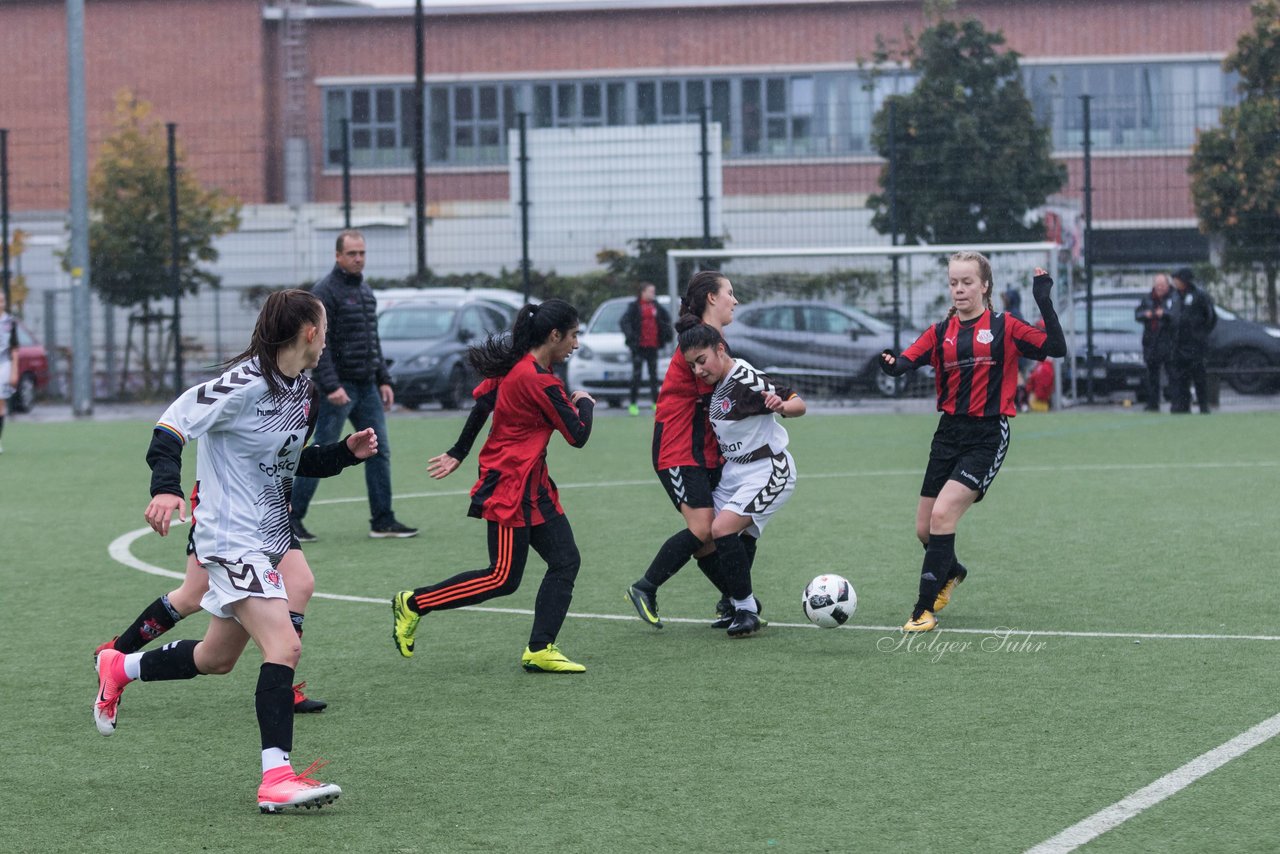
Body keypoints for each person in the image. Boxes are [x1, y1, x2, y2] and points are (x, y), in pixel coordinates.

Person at [93, 288, 378, 811]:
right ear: (310, 333)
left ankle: (119, 667)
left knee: (216, 658)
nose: (327, 339)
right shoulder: (240, 383)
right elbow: (171, 426)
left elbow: (285, 463)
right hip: (229, 539)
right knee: (284, 647)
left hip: (267, 535)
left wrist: (343, 454)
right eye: (326, 330)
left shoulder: (304, 393)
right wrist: (166, 486)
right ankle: (276, 779)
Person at [391, 299, 595, 673]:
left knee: (566, 560)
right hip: (510, 487)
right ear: (554, 336)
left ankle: (540, 648)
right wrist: (584, 403)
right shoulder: (538, 379)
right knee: (501, 578)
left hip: (534, 486)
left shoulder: (523, 368)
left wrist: (458, 451)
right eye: (573, 335)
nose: (576, 344)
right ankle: (413, 603)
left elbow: (483, 402)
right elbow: (578, 435)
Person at [879, 253, 1066, 633]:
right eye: (954, 283)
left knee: (943, 515)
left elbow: (1056, 347)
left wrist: (1043, 300)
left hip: (987, 434)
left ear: (984, 285)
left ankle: (922, 610)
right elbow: (904, 363)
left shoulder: (1006, 326)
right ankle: (953, 572)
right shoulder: (939, 332)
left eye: (967, 282)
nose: (960, 289)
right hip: (947, 434)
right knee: (924, 530)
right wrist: (890, 364)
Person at [624, 270, 751, 630]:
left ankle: (735, 602)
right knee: (702, 529)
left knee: (710, 536)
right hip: (678, 447)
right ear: (712, 297)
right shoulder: (698, 342)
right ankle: (645, 587)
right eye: (730, 292)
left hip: (702, 449)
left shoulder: (713, 339)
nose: (735, 300)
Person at [289, 229, 418, 541]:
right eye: (352, 254)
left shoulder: (365, 291)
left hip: (367, 386)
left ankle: (383, 520)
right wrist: (330, 385)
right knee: (320, 452)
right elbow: (321, 343)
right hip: (338, 389)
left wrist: (383, 378)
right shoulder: (325, 292)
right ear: (337, 256)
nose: (358, 259)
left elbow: (372, 340)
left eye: (362, 253)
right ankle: (290, 519)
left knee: (379, 450)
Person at [679, 321, 806, 637]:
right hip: (736, 472)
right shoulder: (716, 382)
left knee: (722, 529)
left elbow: (798, 403)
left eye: (702, 360)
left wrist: (782, 405)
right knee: (702, 541)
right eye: (692, 364)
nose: (698, 369)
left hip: (769, 469)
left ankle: (746, 610)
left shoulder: (745, 378)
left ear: (720, 349)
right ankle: (736, 603)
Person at [94, 550, 328, 714]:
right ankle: (116, 654)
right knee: (192, 595)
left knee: (298, 583)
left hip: (271, 513)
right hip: (226, 517)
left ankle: (282, 685)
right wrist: (166, 488)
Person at [619, 281, 673, 416]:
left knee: (653, 376)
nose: (652, 294)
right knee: (636, 376)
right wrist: (631, 337)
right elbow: (624, 322)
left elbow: (666, 321)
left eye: (653, 292)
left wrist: (666, 335)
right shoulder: (634, 307)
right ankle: (633, 404)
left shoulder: (657, 307)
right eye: (650, 291)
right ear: (643, 292)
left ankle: (656, 402)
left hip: (653, 346)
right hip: (638, 347)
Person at [1167, 267, 1216, 414]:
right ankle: (1181, 406)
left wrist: (1200, 334)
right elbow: (1171, 316)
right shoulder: (1174, 296)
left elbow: (1211, 318)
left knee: (1199, 377)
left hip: (1195, 346)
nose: (1175, 282)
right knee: (1179, 378)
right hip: (1177, 345)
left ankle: (1203, 406)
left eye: (1177, 279)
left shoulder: (1200, 296)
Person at [1135, 273, 1174, 411]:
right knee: (1152, 375)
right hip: (1151, 342)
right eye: (1157, 285)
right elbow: (1137, 314)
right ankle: (1153, 403)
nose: (1160, 288)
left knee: (1172, 373)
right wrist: (1146, 315)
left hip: (1168, 342)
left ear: (1167, 285)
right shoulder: (1147, 299)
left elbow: (1176, 315)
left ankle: (1176, 402)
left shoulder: (1173, 298)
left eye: (1162, 285)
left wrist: (1165, 314)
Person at [0, 291, 18, 454]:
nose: (1, 303)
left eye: (2, 300)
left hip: (3, 365)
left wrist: (15, 371)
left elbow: (14, 349)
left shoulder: (10, 322)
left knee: (0, 403)